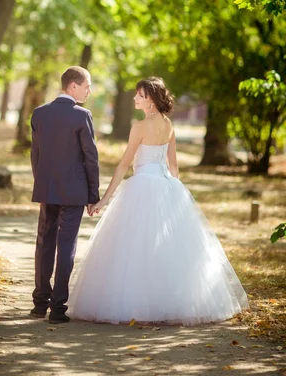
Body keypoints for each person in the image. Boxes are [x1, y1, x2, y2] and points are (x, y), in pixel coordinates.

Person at [68, 76, 249, 325]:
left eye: (140, 95)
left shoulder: (139, 127)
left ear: (151, 100)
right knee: (165, 249)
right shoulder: (168, 125)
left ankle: (135, 305)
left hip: (142, 185)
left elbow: (123, 165)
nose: (135, 98)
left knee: (134, 248)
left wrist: (103, 200)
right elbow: (173, 165)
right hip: (166, 185)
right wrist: (175, 192)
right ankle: (169, 304)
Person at [29, 66, 100, 324]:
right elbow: (90, 158)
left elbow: (35, 155)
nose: (89, 90)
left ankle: (39, 303)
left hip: (47, 189)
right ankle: (58, 308)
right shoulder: (82, 116)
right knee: (66, 246)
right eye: (87, 86)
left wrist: (42, 182)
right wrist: (93, 194)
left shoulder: (39, 114)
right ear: (73, 86)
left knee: (44, 244)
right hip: (74, 192)